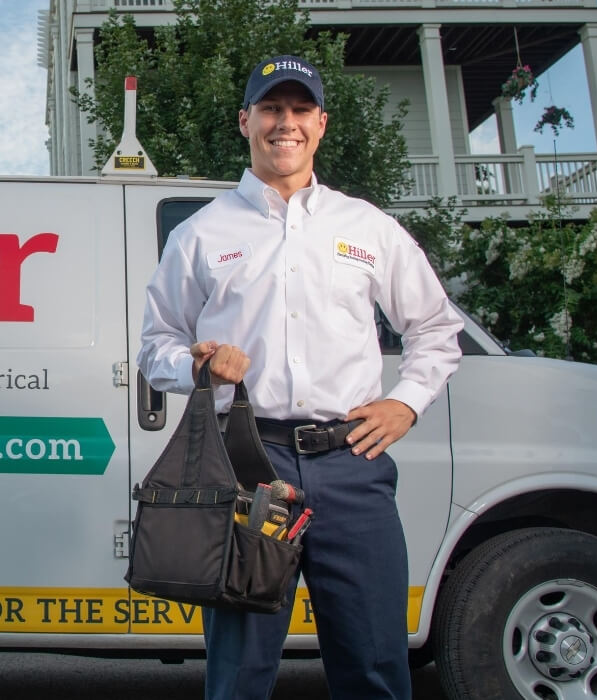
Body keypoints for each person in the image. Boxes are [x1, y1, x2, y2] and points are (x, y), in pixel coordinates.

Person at [137, 55, 464, 699]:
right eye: (270, 109)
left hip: (351, 467)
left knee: (374, 663)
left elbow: (435, 328)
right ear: (246, 121)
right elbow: (156, 346)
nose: (283, 123)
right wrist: (196, 366)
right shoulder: (202, 234)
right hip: (249, 469)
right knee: (239, 672)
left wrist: (407, 403)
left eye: (298, 110)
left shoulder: (368, 228)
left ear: (320, 124)